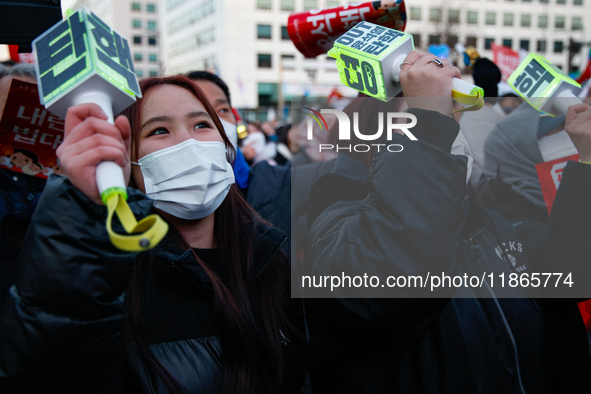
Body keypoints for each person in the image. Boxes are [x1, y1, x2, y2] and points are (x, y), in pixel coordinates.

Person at [302, 50, 591, 393]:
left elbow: (573, 268)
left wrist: (586, 160)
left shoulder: (493, 227)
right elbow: (388, 286)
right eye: (420, 117)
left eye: (447, 116)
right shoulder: (336, 228)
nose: (443, 130)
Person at [0, 75, 304, 393]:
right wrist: (85, 209)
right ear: (125, 159)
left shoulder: (270, 258)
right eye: (159, 130)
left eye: (202, 125)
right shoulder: (106, 281)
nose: (190, 144)